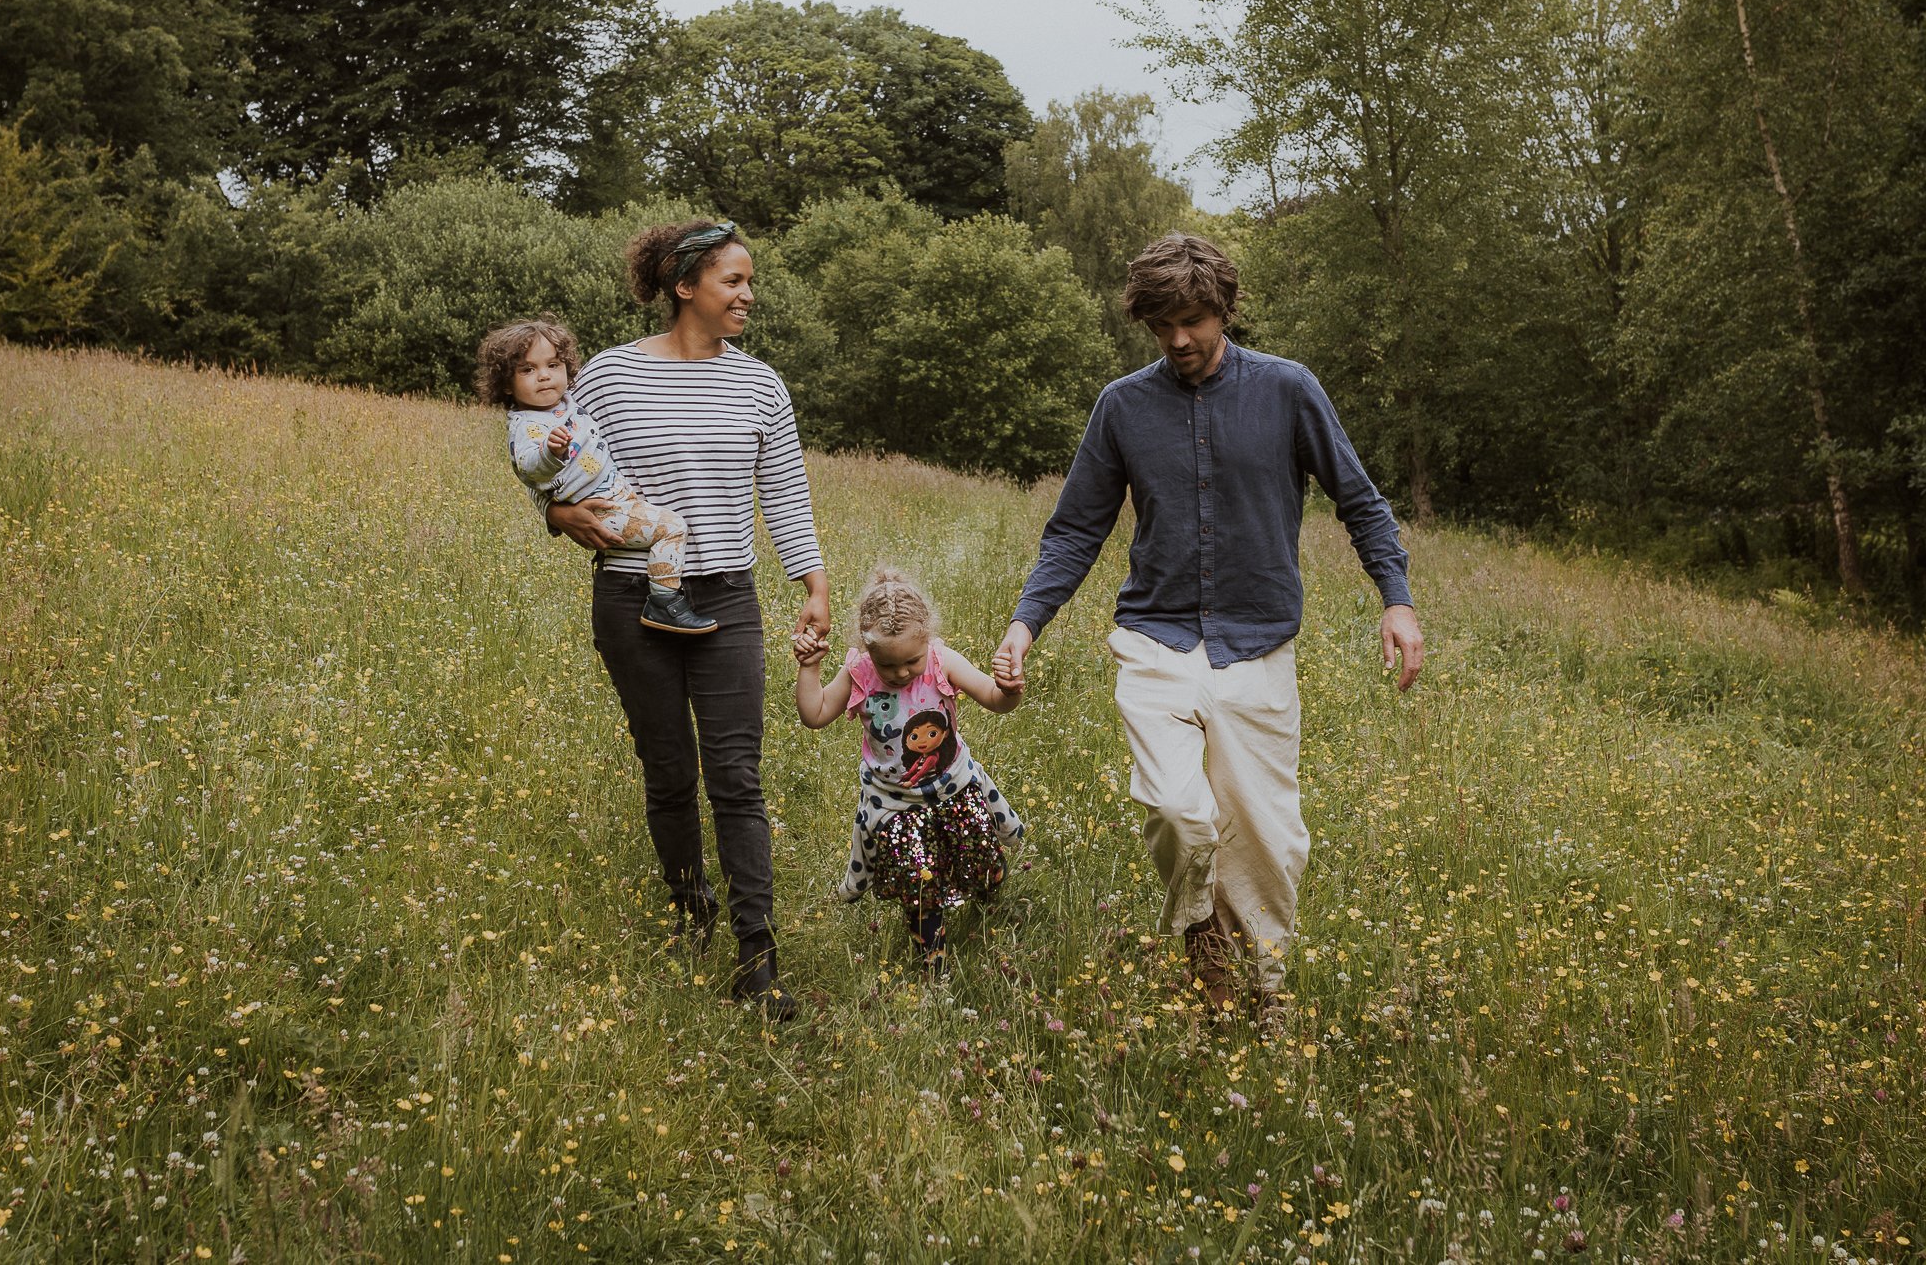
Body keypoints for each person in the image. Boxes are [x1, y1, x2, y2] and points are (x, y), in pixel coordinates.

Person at [991, 232, 1424, 1022]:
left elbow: (1360, 501)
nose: (1180, 339)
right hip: (1154, 642)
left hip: (1258, 644)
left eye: (1194, 320)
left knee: (1266, 840)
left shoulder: (1289, 390)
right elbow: (1075, 530)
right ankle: (1200, 938)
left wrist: (1395, 598)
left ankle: (1260, 993)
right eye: (1163, 325)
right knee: (1179, 811)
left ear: (1224, 308)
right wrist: (1027, 623)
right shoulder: (1122, 406)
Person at [543, 219, 830, 1020]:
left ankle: (757, 957)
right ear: (684, 287)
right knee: (669, 771)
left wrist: (814, 582)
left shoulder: (761, 385)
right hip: (633, 600)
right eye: (734, 281)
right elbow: (551, 455)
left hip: (727, 599)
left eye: (749, 282)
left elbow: (785, 494)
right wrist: (556, 516)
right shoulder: (605, 377)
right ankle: (689, 910)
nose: (748, 296)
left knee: (737, 776)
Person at [794, 567, 1024, 973]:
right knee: (918, 882)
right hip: (896, 806)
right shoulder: (859, 672)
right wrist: (809, 668)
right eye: (889, 666)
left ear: (928, 640)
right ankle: (933, 962)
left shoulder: (940, 660)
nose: (901, 673)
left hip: (955, 790)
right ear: (869, 653)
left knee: (981, 862)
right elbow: (814, 714)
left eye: (911, 662)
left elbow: (993, 698)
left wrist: (1007, 689)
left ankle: (992, 910)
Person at [478, 316, 717, 635]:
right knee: (672, 527)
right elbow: (528, 467)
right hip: (601, 511)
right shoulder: (526, 425)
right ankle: (664, 601)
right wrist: (551, 452)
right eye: (528, 369)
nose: (544, 376)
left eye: (553, 365)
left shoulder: (566, 401)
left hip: (617, 496)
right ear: (506, 383)